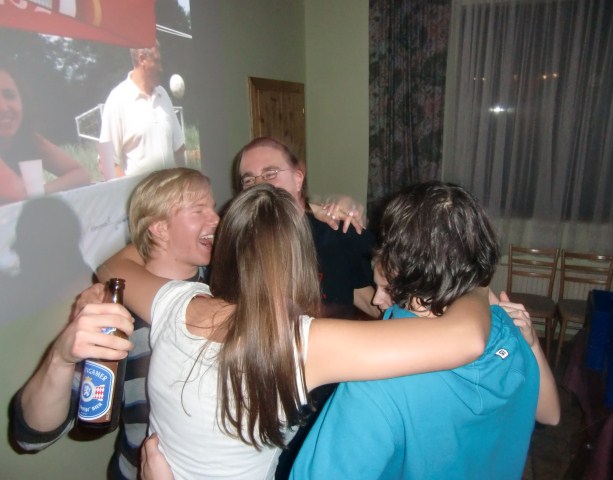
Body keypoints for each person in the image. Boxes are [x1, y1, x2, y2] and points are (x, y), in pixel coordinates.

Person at [93, 183, 492, 479]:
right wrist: (475, 278)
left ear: (223, 250)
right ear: (302, 261)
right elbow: (467, 338)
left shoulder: (174, 302)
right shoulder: (301, 345)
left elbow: (112, 265)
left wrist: (154, 233)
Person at [290, 181, 561, 479]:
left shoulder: (374, 381)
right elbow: (550, 414)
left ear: (404, 271)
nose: (378, 300)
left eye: (386, 287)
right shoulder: (508, 327)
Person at [9, 168, 218, 479]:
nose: (216, 219)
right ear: (160, 228)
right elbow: (33, 435)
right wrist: (60, 357)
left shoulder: (226, 288)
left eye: (212, 208)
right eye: (199, 210)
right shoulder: (116, 313)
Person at [235, 136, 379, 476]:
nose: (259, 185)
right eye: (249, 180)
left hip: (333, 397)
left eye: (270, 173)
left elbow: (374, 298)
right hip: (270, 395)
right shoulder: (239, 242)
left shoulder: (338, 231)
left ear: (298, 178)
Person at [0, 61, 90, 205]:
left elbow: (81, 174)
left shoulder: (28, 139)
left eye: (9, 95)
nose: (3, 107)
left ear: (22, 100)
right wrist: (33, 195)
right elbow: (16, 193)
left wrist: (42, 192)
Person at [98, 41, 185, 179]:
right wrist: (126, 191)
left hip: (171, 191)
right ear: (142, 59)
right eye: (156, 61)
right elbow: (106, 163)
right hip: (139, 193)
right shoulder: (117, 99)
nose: (161, 68)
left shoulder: (163, 95)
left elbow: (179, 148)